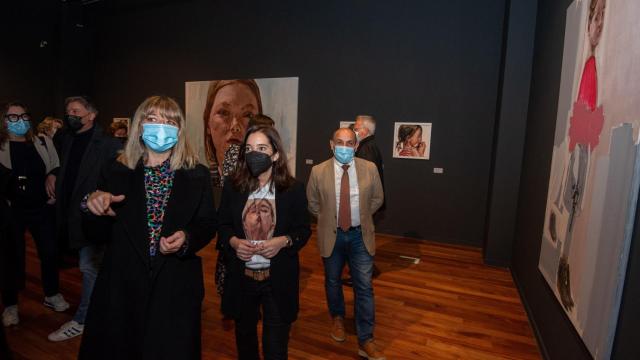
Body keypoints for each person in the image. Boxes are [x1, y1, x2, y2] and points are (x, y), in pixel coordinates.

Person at [77, 95, 217, 359]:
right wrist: (92, 206)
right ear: (140, 125)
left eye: (169, 121)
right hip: (122, 284)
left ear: (179, 129)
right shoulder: (115, 170)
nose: (160, 126)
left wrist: (186, 238)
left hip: (174, 285)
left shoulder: (196, 174)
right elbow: (96, 234)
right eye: (153, 119)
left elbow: (207, 223)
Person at [219, 125, 310, 360]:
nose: (254, 154)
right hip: (242, 279)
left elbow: (303, 230)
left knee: (275, 348)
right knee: (245, 342)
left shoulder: (293, 189)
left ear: (275, 154)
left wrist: (284, 241)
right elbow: (222, 225)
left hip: (276, 280)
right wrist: (234, 242)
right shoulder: (233, 186)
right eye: (248, 149)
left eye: (261, 148)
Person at [306, 128, 385, 360]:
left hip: (360, 236)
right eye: (339, 142)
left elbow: (378, 198)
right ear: (331, 145)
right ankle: (338, 318)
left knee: (364, 287)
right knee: (332, 281)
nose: (344, 146)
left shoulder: (369, 169)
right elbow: (312, 203)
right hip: (333, 235)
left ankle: (366, 339)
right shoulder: (318, 171)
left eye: (349, 143)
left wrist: (360, 215)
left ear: (356, 146)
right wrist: (330, 218)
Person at [48, 96, 122, 341]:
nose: (71, 115)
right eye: (68, 110)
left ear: (91, 115)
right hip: (67, 214)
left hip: (93, 218)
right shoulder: (65, 139)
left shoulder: (108, 145)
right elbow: (59, 166)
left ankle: (82, 319)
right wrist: (53, 173)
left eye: (76, 111)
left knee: (89, 267)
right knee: (92, 268)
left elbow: (117, 178)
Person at [554, 0, 606, 311]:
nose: (598, 24)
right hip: (579, 145)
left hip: (583, 145)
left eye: (602, 17)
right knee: (571, 200)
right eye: (595, 17)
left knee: (575, 202)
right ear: (587, 24)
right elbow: (580, 115)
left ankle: (564, 261)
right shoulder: (588, 69)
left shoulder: (593, 69)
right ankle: (563, 258)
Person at [0, 102, 69, 327]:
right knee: (12, 257)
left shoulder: (42, 141)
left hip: (41, 207)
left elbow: (56, 166)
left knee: (49, 252)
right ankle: (10, 305)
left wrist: (52, 176)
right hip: (12, 212)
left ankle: (52, 294)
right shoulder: (1, 146)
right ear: (3, 120)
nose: (19, 120)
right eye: (12, 117)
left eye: (23, 116)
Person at [202, 79, 262, 189]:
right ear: (208, 124)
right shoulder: (198, 185)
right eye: (224, 112)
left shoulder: (271, 185)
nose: (235, 126)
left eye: (248, 115)